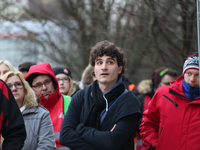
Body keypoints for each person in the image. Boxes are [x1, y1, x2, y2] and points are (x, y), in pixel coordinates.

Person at [59, 40, 141, 150]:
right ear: (94, 69)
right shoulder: (81, 96)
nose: (104, 67)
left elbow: (112, 142)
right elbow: (65, 136)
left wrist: (80, 129)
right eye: (99, 62)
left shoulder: (130, 102)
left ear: (120, 68)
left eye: (110, 62)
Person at [139, 52, 200, 149]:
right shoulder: (163, 94)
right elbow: (148, 123)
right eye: (189, 73)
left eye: (198, 75)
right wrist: (153, 145)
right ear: (183, 73)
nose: (192, 79)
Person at [1, 71, 56, 150]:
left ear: (25, 88)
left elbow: (46, 146)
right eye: (8, 86)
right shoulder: (1, 115)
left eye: (18, 84)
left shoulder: (41, 114)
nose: (14, 89)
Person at [25, 63, 70, 150]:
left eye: (47, 82)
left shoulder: (70, 102)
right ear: (31, 89)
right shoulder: (26, 109)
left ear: (54, 82)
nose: (44, 88)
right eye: (38, 85)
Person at [135, 66, 177, 150]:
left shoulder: (177, 101)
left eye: (173, 83)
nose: (171, 87)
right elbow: (133, 124)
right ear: (157, 84)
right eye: (167, 84)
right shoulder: (140, 100)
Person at [0, 78, 26, 149]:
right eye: (10, 86)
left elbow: (15, 132)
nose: (14, 89)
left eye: (18, 84)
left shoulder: (1, 86)